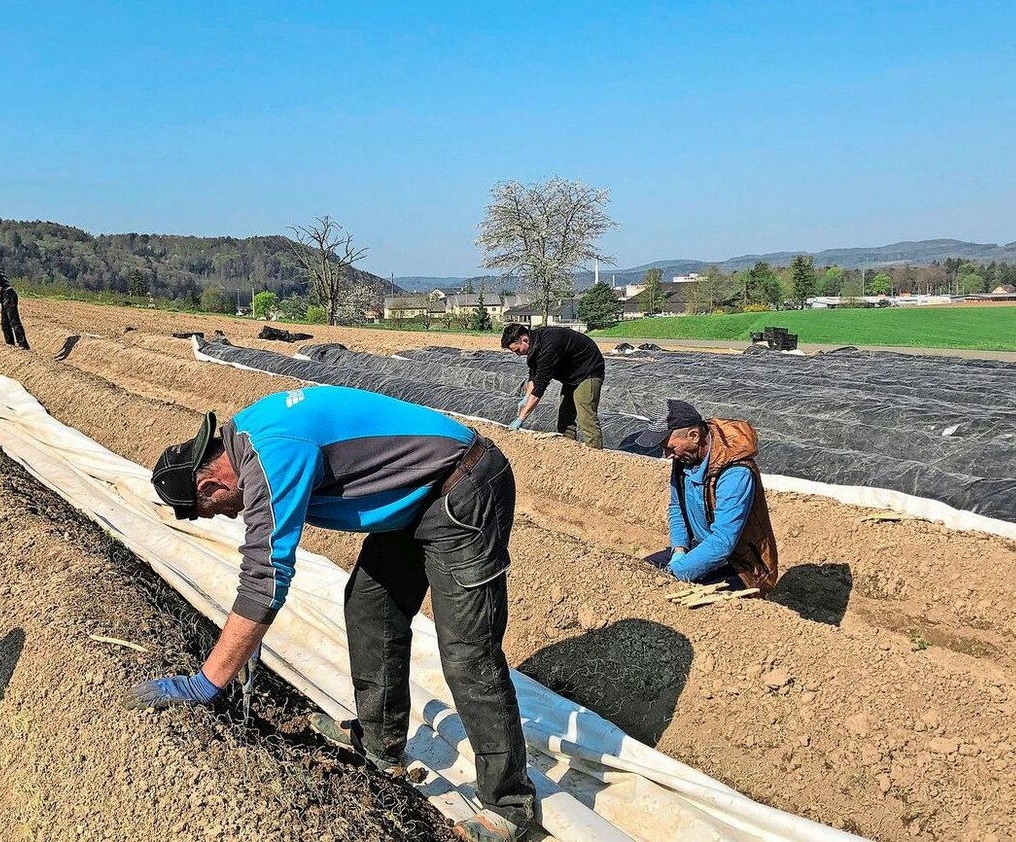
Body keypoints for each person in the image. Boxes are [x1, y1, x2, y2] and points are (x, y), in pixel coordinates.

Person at [134, 387, 536, 842]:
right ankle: (379, 739)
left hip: (461, 490)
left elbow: (265, 576)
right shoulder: (248, 438)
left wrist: (205, 682)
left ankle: (511, 805)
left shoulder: (272, 457)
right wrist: (245, 640)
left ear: (210, 486)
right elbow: (264, 570)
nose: (227, 517)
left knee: (468, 652)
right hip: (412, 498)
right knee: (369, 609)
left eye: (213, 512)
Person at [631, 399, 779, 593]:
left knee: (670, 594)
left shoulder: (735, 473)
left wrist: (674, 572)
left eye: (670, 447)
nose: (667, 454)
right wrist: (679, 550)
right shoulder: (685, 457)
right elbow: (677, 507)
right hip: (700, 548)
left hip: (741, 566)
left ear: (693, 435)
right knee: (636, 573)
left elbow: (723, 541)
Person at [500, 323, 605, 449]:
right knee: (565, 417)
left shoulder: (549, 345)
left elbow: (540, 387)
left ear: (524, 339)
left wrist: (520, 419)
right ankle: (569, 449)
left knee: (585, 415)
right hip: (572, 376)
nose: (518, 354)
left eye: (517, 350)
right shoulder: (535, 343)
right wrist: (526, 397)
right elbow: (534, 375)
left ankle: (596, 456)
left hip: (589, 371)